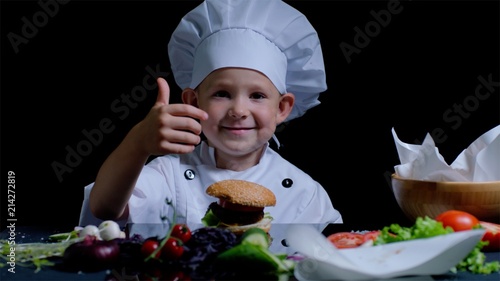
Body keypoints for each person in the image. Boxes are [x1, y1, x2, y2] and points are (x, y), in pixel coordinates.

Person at [79, 0, 343, 233]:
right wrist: (137, 144)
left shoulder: (305, 194)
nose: (238, 111)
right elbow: (104, 210)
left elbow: (331, 257)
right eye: (222, 93)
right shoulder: (169, 174)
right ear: (193, 101)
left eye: (257, 96)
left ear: (282, 108)